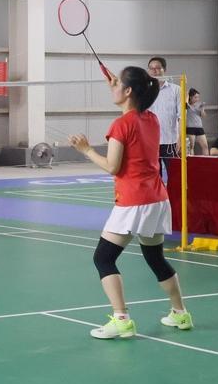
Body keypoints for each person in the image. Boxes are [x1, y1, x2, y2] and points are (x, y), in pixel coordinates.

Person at [68, 66, 193, 340]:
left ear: (127, 91)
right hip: (157, 198)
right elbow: (133, 111)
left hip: (134, 201)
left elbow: (113, 167)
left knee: (103, 258)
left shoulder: (121, 125)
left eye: (118, 85)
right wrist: (120, 87)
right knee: (155, 258)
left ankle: (122, 319)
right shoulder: (152, 119)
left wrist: (86, 150)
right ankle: (180, 313)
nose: (112, 87)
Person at [147, 57, 181, 177]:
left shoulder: (176, 90)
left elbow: (181, 117)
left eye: (157, 68)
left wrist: (180, 139)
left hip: (170, 141)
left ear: (164, 69)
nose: (154, 71)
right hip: (150, 142)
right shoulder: (144, 91)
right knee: (154, 177)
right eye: (151, 68)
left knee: (175, 176)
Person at [185, 89, 209, 155]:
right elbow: (185, 104)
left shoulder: (198, 105)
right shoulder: (187, 105)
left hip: (199, 127)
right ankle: (191, 160)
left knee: (205, 146)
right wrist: (187, 95)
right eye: (195, 97)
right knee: (191, 147)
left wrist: (202, 109)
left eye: (198, 97)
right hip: (190, 128)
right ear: (190, 97)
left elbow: (203, 115)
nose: (197, 99)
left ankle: (207, 159)